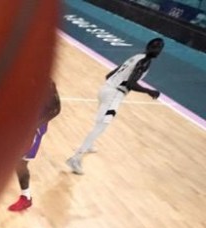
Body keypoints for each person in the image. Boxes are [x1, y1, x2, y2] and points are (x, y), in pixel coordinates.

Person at [67, 38, 164, 175]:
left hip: (104, 89)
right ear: (150, 48)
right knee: (101, 126)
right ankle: (75, 158)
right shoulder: (145, 62)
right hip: (114, 95)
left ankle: (89, 145)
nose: (157, 50)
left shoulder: (137, 56)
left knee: (99, 122)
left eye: (159, 48)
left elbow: (109, 74)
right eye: (156, 47)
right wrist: (149, 91)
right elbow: (130, 84)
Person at [8, 81, 61, 212]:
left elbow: (56, 109)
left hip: (32, 129)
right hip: (18, 123)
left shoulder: (46, 82)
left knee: (20, 163)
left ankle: (26, 198)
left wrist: (33, 125)